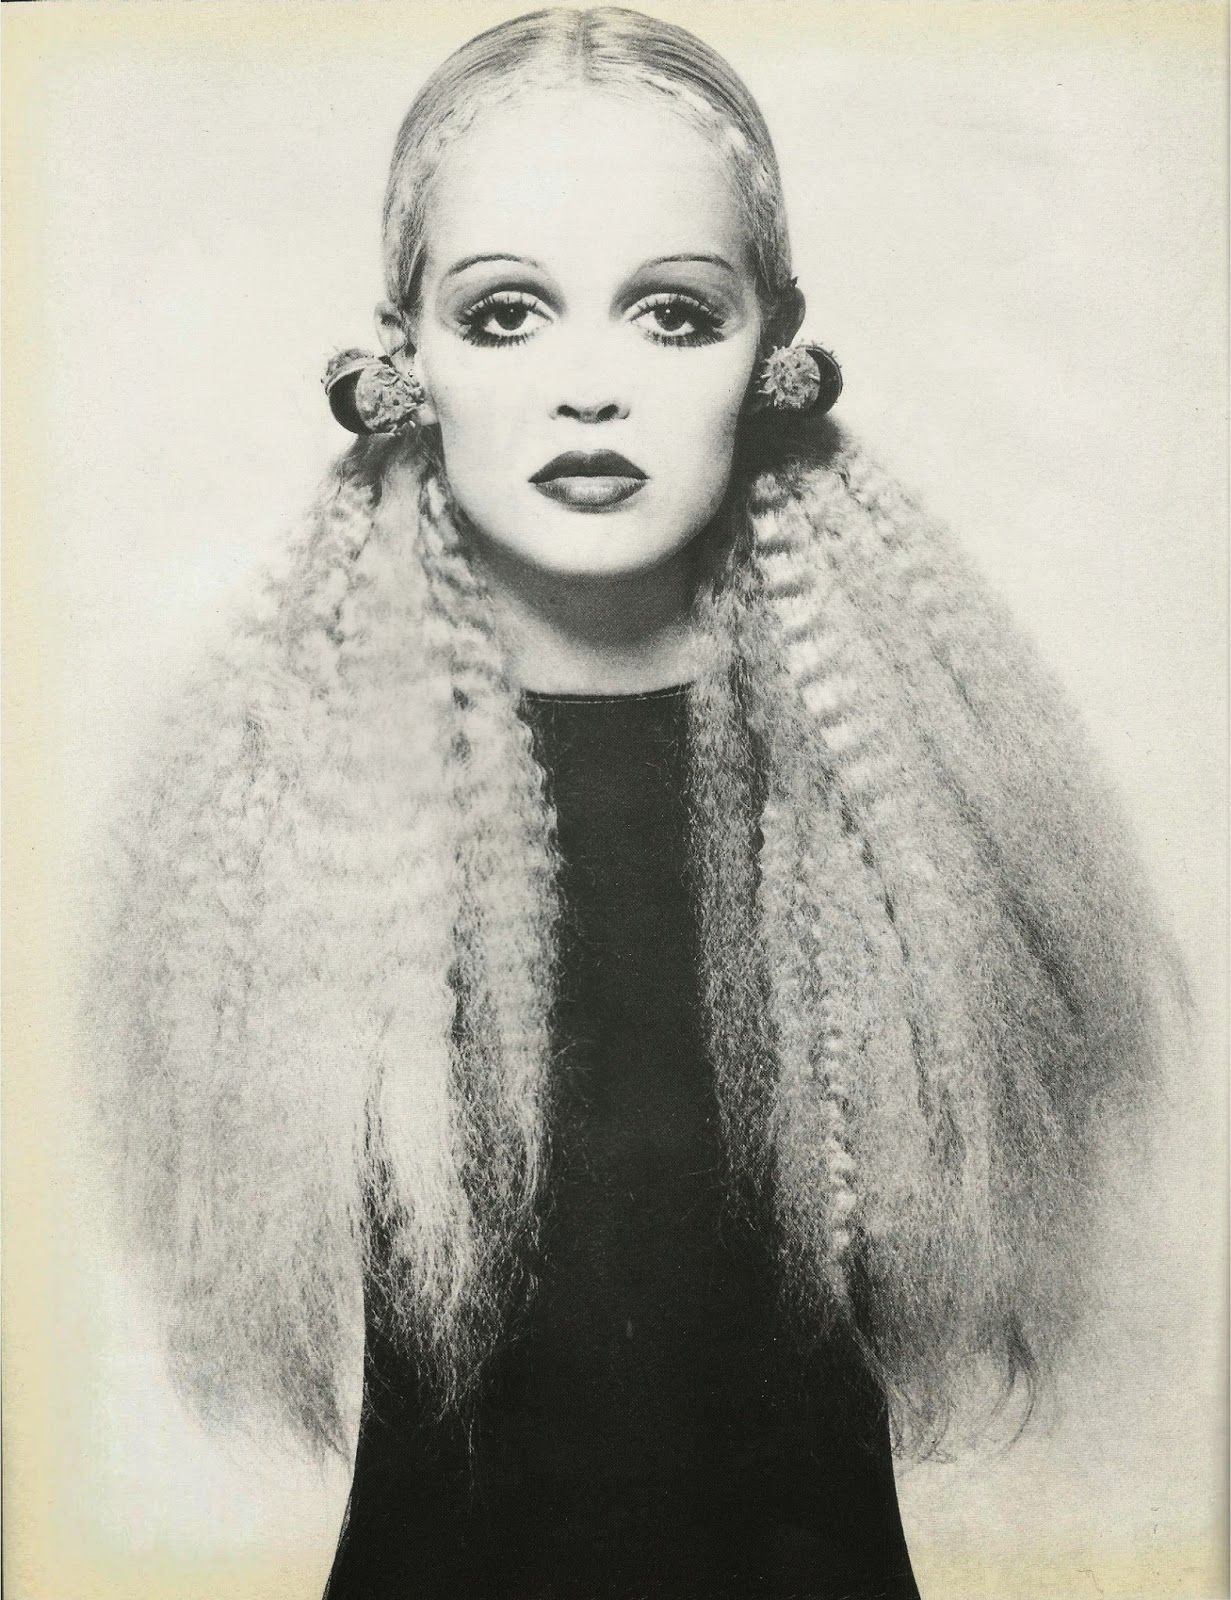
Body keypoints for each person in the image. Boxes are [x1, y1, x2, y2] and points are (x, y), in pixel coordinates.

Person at [85, 8, 1183, 1598]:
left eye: (672, 315)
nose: (590, 389)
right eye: (506, 314)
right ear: (404, 355)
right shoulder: (285, 820)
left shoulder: (908, 813)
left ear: (772, 347)